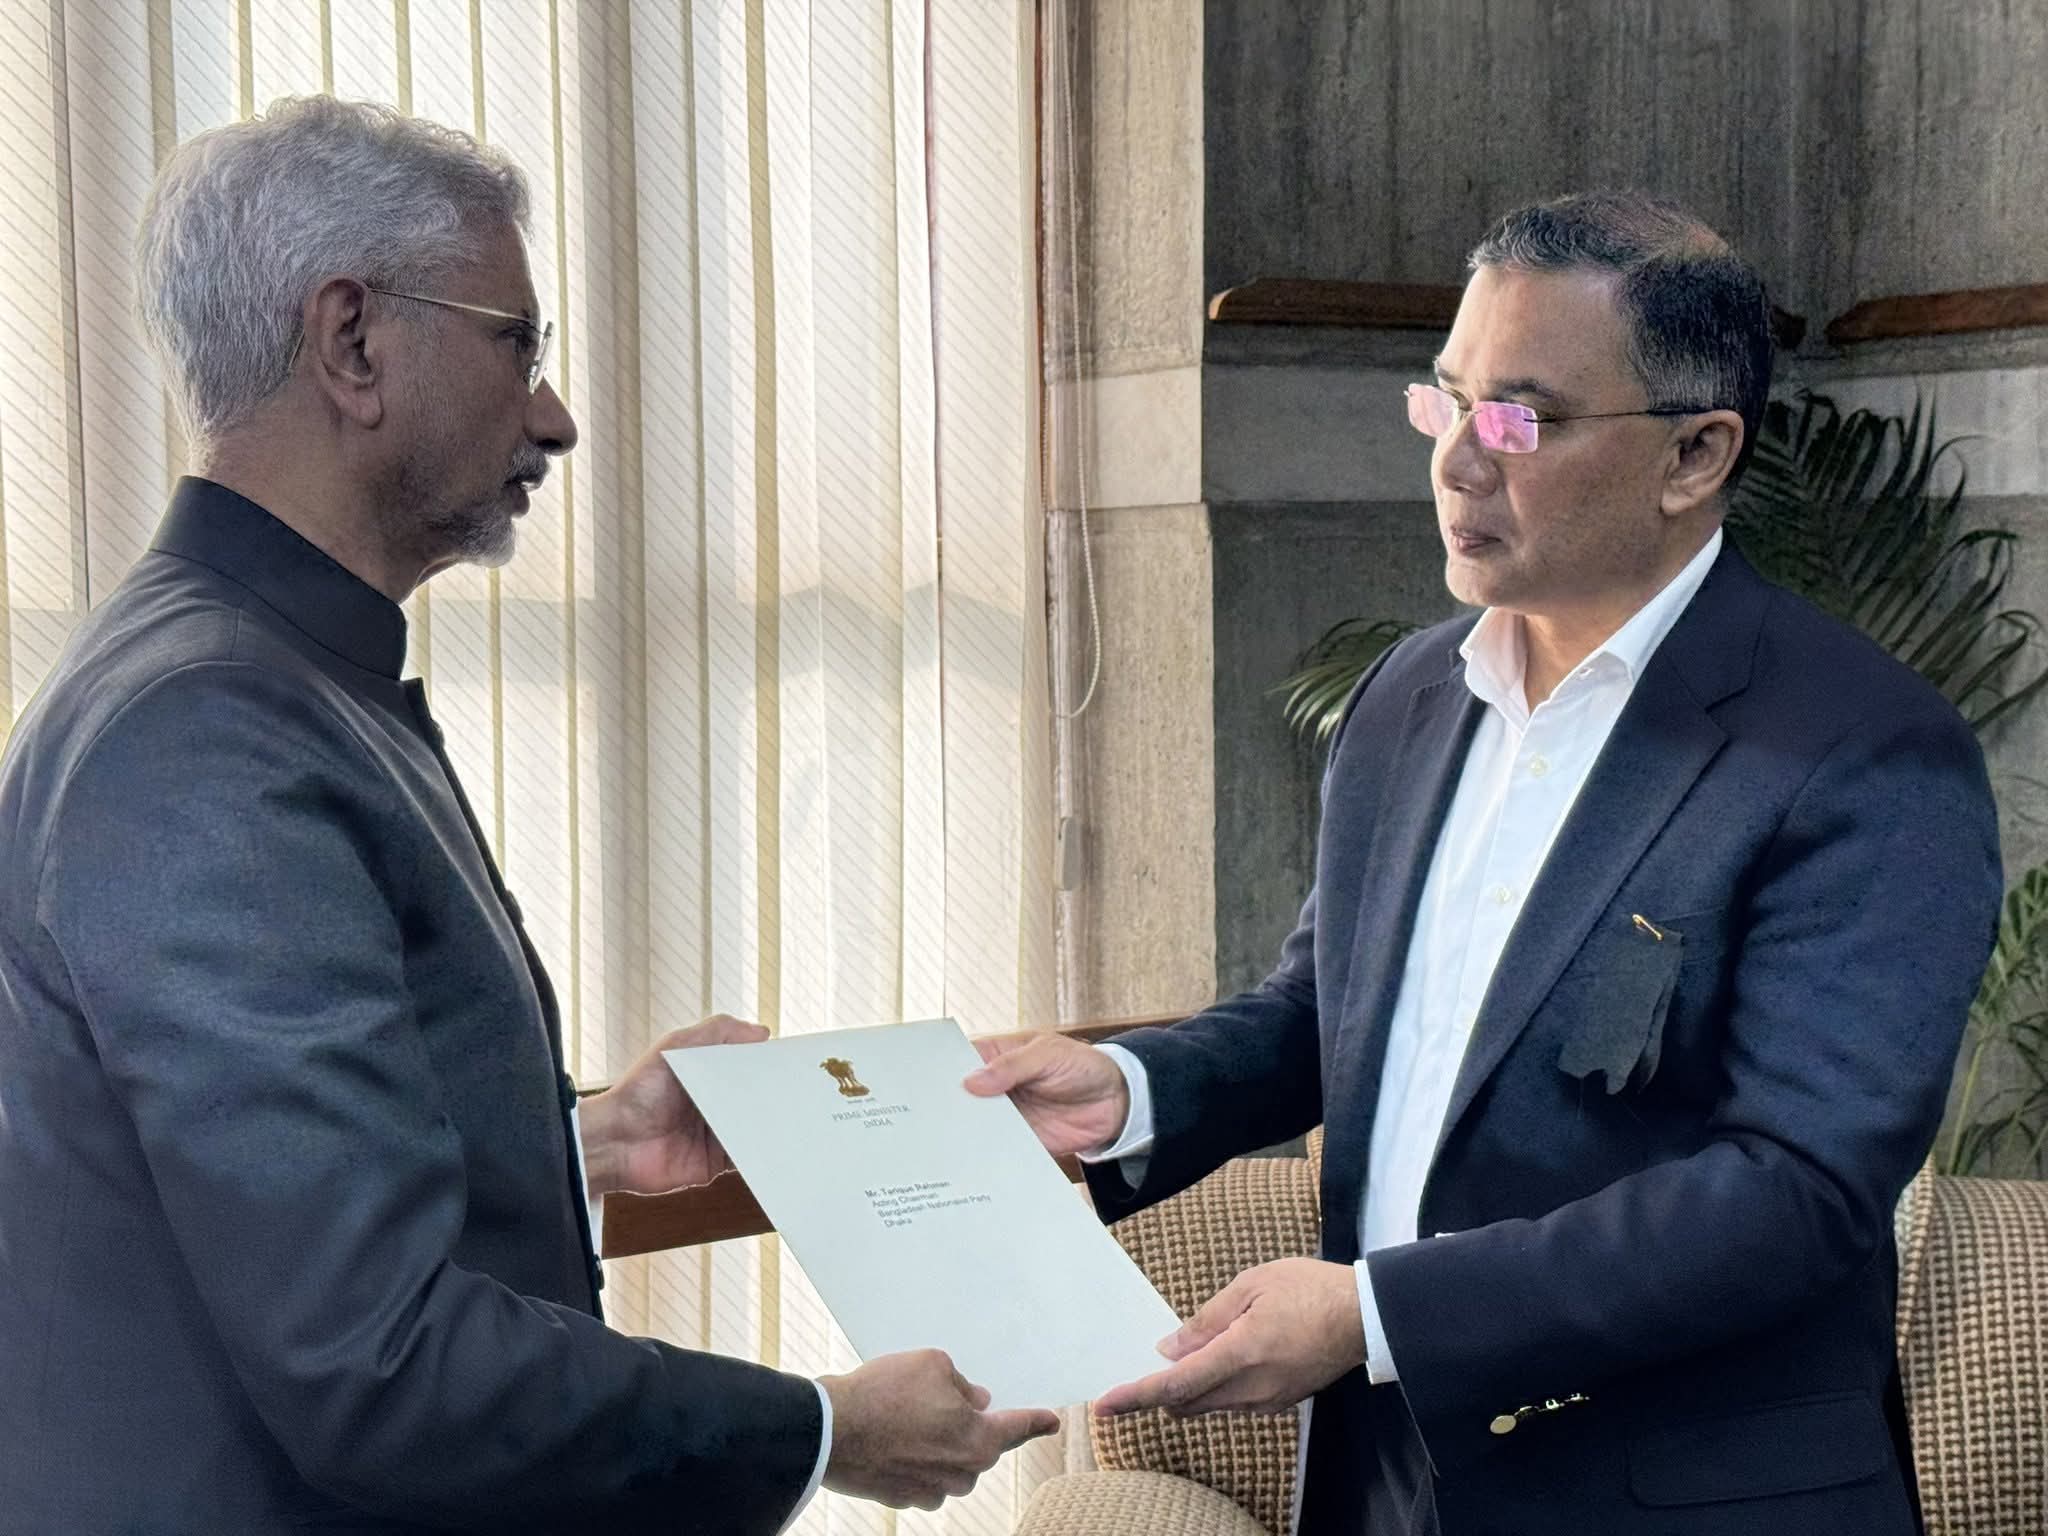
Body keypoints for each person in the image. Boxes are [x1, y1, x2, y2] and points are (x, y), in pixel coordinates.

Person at [0, 96, 1053, 1535]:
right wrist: (820, 1429)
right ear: (352, 342)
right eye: (519, 343)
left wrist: (587, 1144)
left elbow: (262, 1186)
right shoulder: (213, 729)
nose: (553, 415)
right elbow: (378, 1365)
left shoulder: (260, 672)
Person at [969, 191, 2001, 1534]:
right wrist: (1133, 1089)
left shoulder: (1864, 750)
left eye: (1520, 418)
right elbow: (1329, 1012)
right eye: (1446, 401)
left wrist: (1377, 1314)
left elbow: (1796, 1193)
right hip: (1386, 1485)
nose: (1458, 462)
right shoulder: (1408, 695)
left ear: (1694, 455)